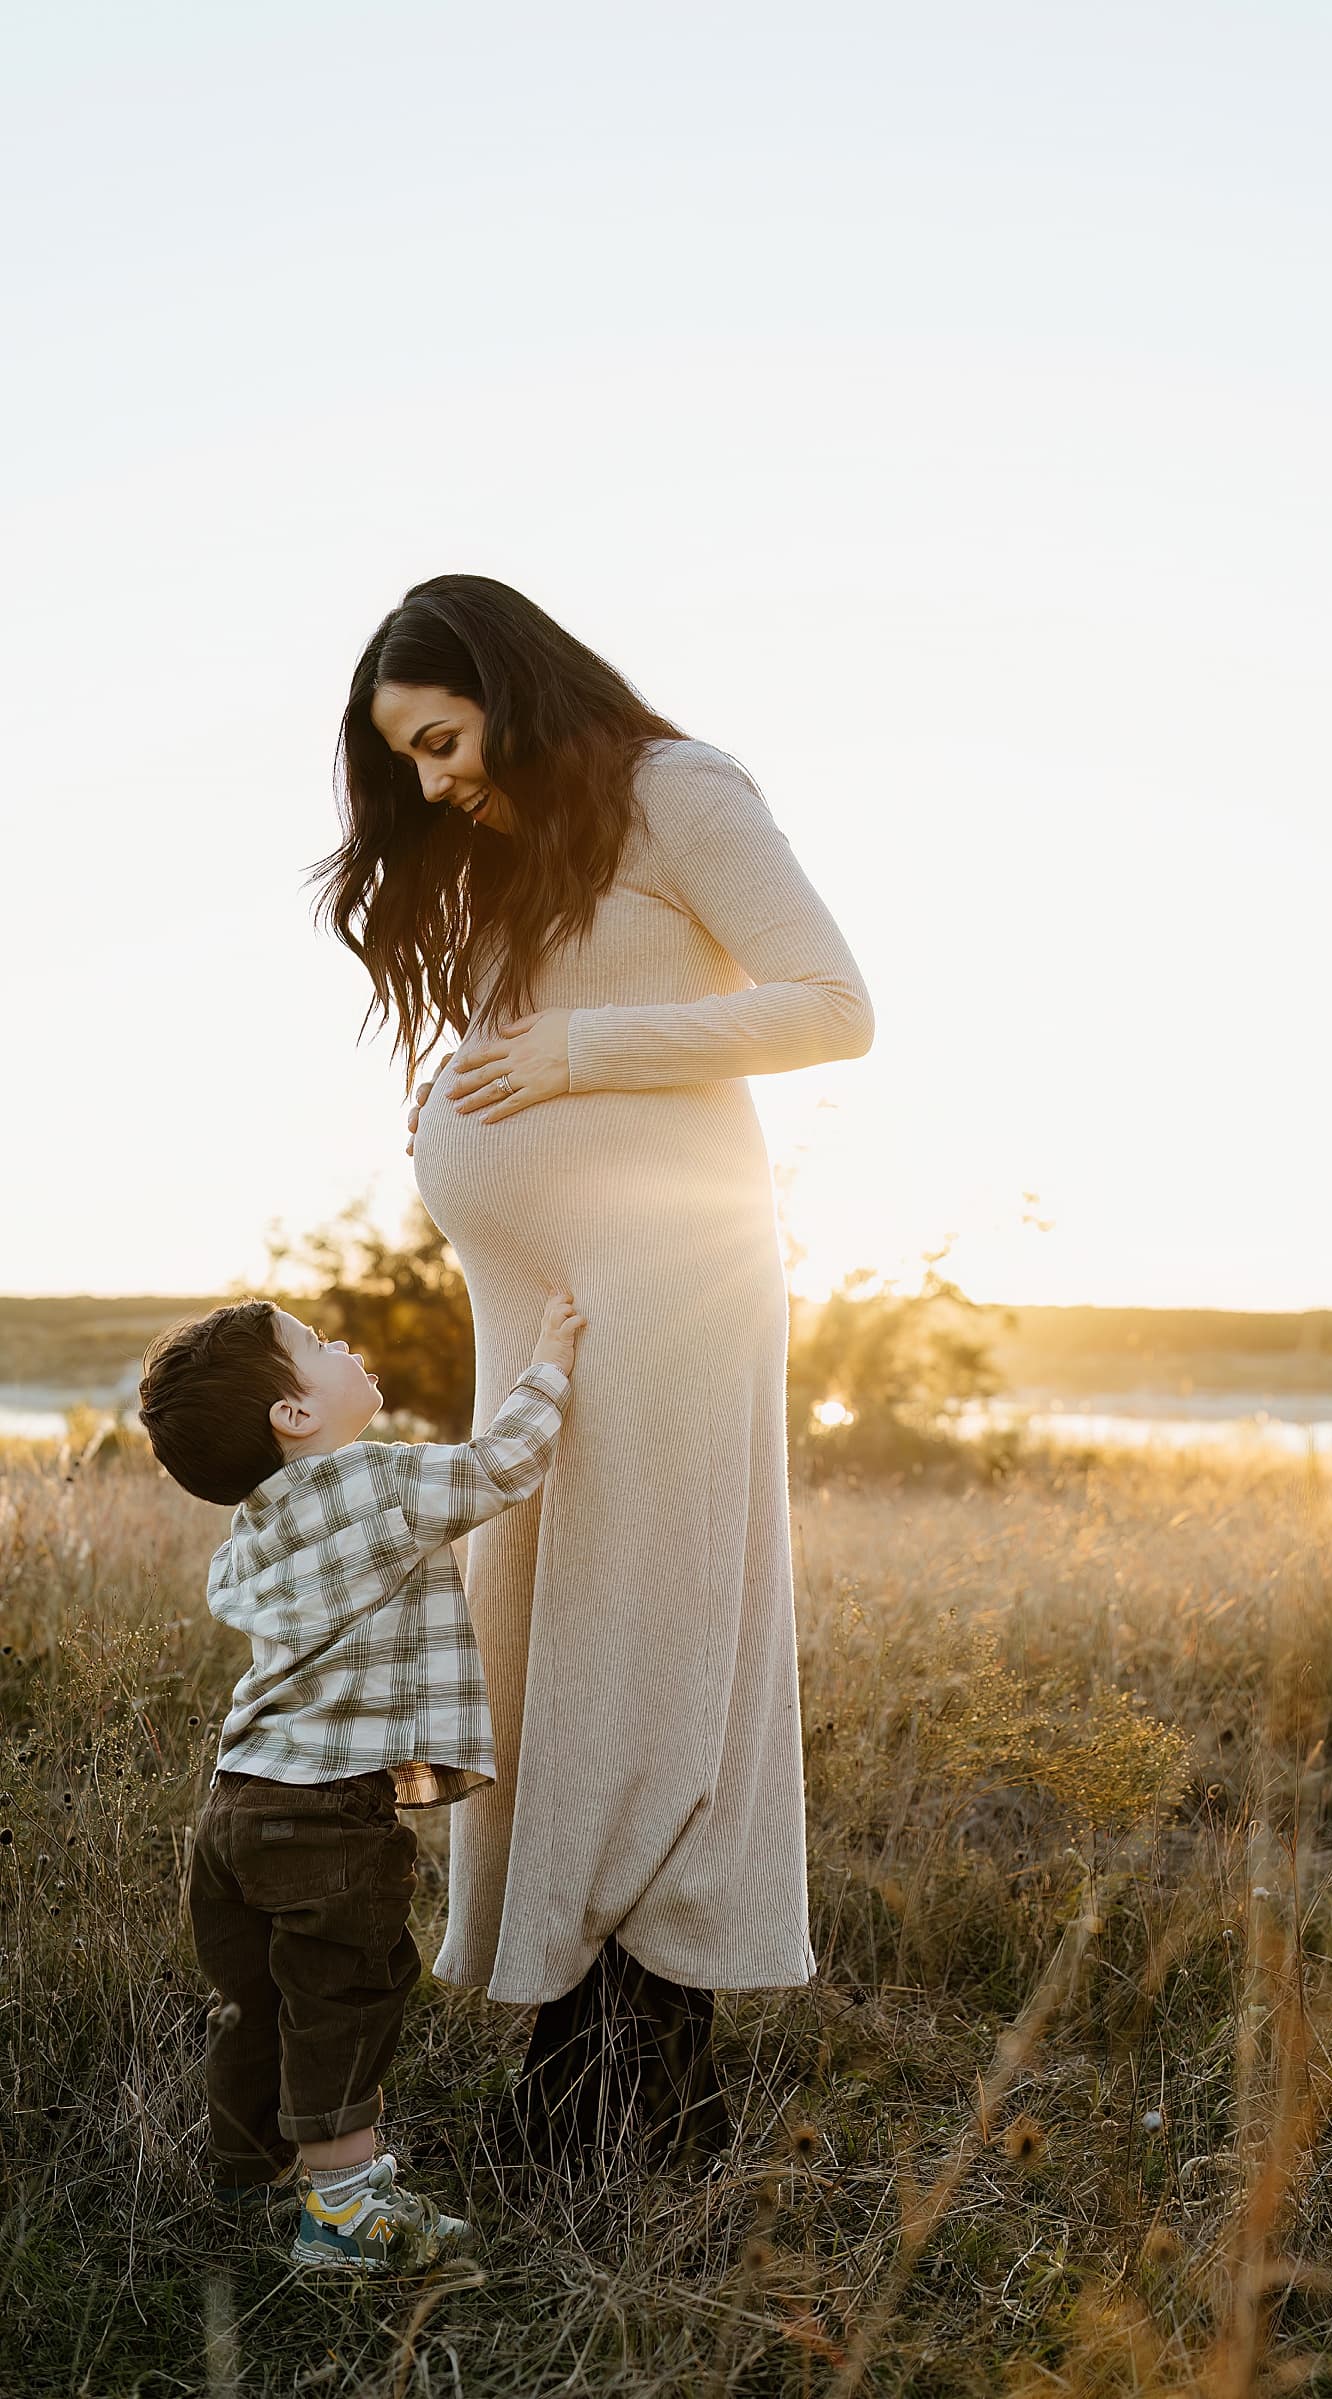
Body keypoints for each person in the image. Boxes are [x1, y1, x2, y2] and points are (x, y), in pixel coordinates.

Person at [315, 573, 874, 2170]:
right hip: (538, 1298)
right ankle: (590, 2055)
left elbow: (836, 1006)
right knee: (538, 1632)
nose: (431, 783)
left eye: (441, 739)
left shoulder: (680, 793)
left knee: (649, 1631)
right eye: (404, 763)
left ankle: (626, 2075)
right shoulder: (515, 842)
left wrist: (572, 1056)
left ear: (511, 683)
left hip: (670, 1284)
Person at [138, 1288, 583, 2268]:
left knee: (258, 1998)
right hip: (326, 1812)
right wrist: (548, 1361)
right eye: (316, 1342)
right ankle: (339, 2212)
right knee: (345, 1991)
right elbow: (503, 1466)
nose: (342, 1342)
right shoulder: (375, 1482)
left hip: (235, 1802)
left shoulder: (253, 1525)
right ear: (295, 1415)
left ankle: (250, 2177)